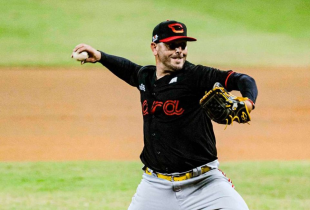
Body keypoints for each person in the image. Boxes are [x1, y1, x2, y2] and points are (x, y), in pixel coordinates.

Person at [72, 20, 258, 210]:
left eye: (182, 46)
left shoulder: (196, 76)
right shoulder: (146, 77)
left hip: (204, 183)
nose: (179, 50)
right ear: (154, 48)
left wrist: (249, 102)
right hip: (155, 186)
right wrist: (101, 56)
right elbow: (129, 70)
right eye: (171, 45)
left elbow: (243, 79)